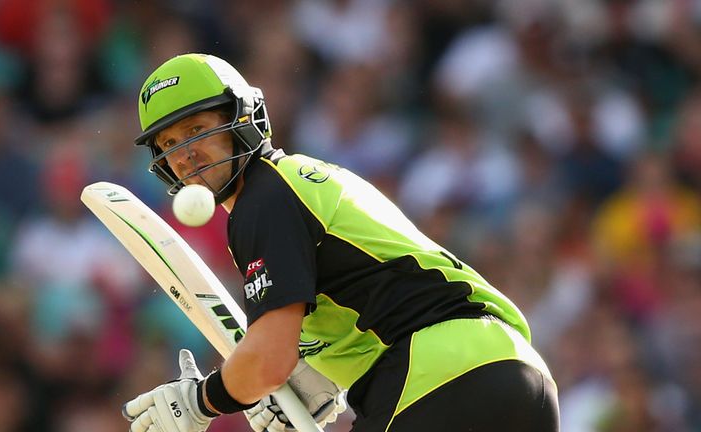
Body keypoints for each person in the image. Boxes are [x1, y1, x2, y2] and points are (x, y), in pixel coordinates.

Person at [122, 53, 559, 432]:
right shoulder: (306, 178)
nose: (185, 154)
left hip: (436, 378)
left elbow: (269, 358)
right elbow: (382, 287)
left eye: (197, 129)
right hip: (519, 376)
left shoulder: (264, 197)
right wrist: (322, 373)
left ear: (241, 119)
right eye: (169, 144)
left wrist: (201, 401)